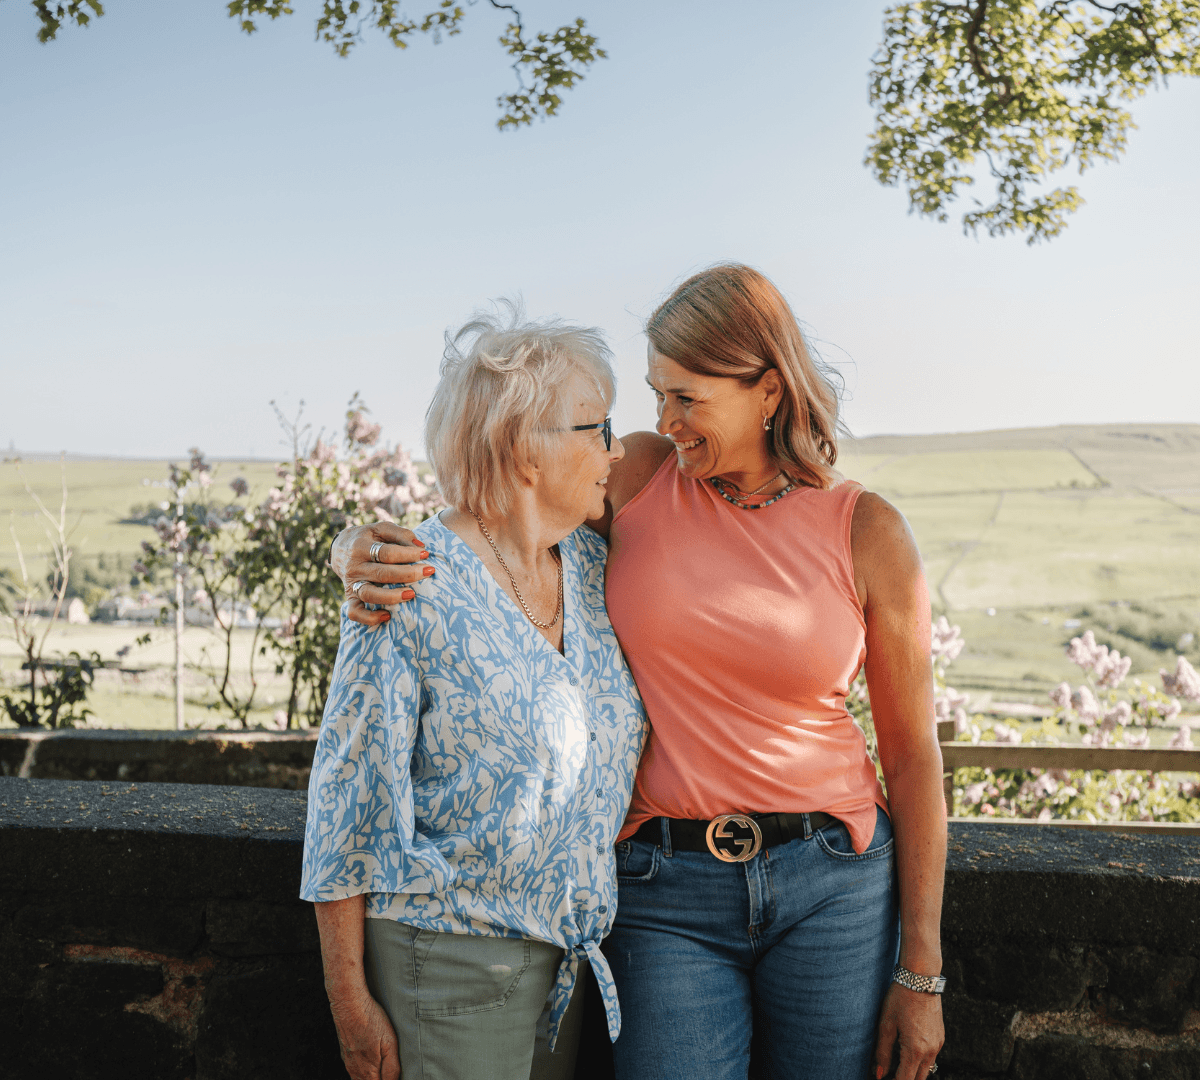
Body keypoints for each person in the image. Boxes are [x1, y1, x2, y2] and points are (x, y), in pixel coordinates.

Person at [333, 265, 948, 1080]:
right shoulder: (645, 474)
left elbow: (912, 762)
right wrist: (353, 548)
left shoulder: (868, 531)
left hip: (831, 883)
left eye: (687, 398)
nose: (663, 421)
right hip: (663, 888)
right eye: (656, 395)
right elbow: (493, 498)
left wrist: (923, 970)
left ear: (767, 391)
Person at [302, 305, 647, 1080]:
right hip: (447, 963)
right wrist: (347, 998)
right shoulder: (408, 581)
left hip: (568, 961)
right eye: (595, 428)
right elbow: (347, 802)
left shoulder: (592, 568)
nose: (616, 449)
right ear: (525, 445)